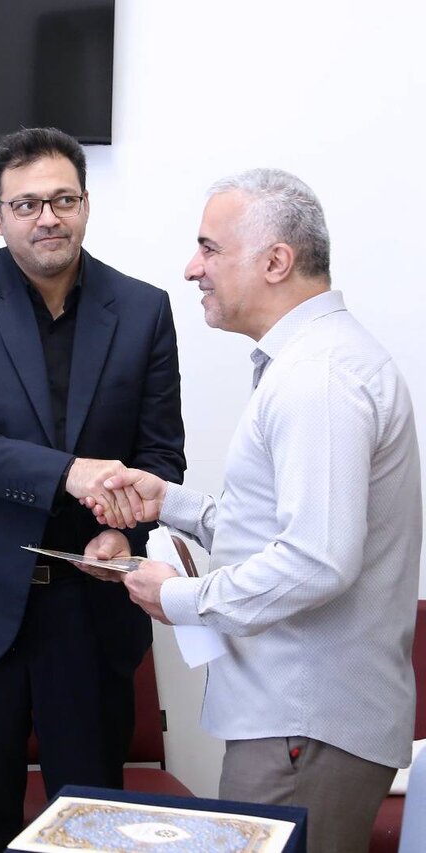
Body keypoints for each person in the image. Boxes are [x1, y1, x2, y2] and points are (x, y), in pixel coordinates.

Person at [92, 168, 421, 853]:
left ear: (276, 262)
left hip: (303, 725)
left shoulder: (317, 377)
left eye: (209, 248)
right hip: (298, 723)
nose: (192, 269)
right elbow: (289, 530)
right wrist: (172, 503)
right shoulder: (313, 363)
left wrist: (179, 597)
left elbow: (317, 560)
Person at [0, 126, 186, 850]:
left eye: (63, 199)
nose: (48, 218)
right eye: (26, 204)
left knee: (90, 826)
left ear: (86, 205)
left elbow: (161, 454)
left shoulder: (144, 309)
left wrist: (124, 531)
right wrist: (68, 472)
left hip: (90, 607)